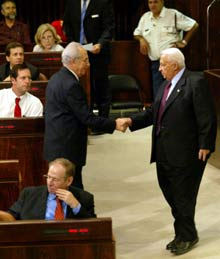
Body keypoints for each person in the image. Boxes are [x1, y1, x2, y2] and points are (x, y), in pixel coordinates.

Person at [120, 48, 217, 255]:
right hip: (163, 152)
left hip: (187, 153)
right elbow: (155, 112)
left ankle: (188, 236)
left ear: (175, 65)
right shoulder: (166, 85)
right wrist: (131, 120)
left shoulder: (195, 82)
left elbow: (207, 115)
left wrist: (205, 144)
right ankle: (182, 232)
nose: (160, 68)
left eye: (163, 64)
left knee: (183, 197)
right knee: (171, 193)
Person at [44, 42, 126, 190]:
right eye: (85, 60)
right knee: (72, 190)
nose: (88, 64)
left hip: (57, 145)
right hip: (67, 149)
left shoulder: (56, 78)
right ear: (73, 62)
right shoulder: (71, 85)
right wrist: (114, 124)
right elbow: (87, 118)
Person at [133, 0, 199, 100]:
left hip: (173, 64)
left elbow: (194, 25)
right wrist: (141, 39)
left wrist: (184, 42)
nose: (152, 5)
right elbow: (136, 33)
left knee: (175, 94)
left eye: (155, 2)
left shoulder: (173, 14)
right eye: (150, 2)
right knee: (159, 94)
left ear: (162, 2)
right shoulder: (145, 17)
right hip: (156, 64)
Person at [63, 0, 115, 122]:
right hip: (78, 52)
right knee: (82, 87)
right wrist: (73, 45)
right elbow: (67, 25)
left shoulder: (103, 2)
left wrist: (100, 44)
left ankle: (103, 121)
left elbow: (109, 28)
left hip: (98, 52)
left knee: (101, 87)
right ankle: (86, 120)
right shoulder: (72, 3)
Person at [1, 158, 96, 220]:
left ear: (69, 180)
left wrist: (76, 206)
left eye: (55, 179)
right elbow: (12, 217)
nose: (49, 182)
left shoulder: (84, 198)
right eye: (48, 177)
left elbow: (95, 228)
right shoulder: (29, 194)